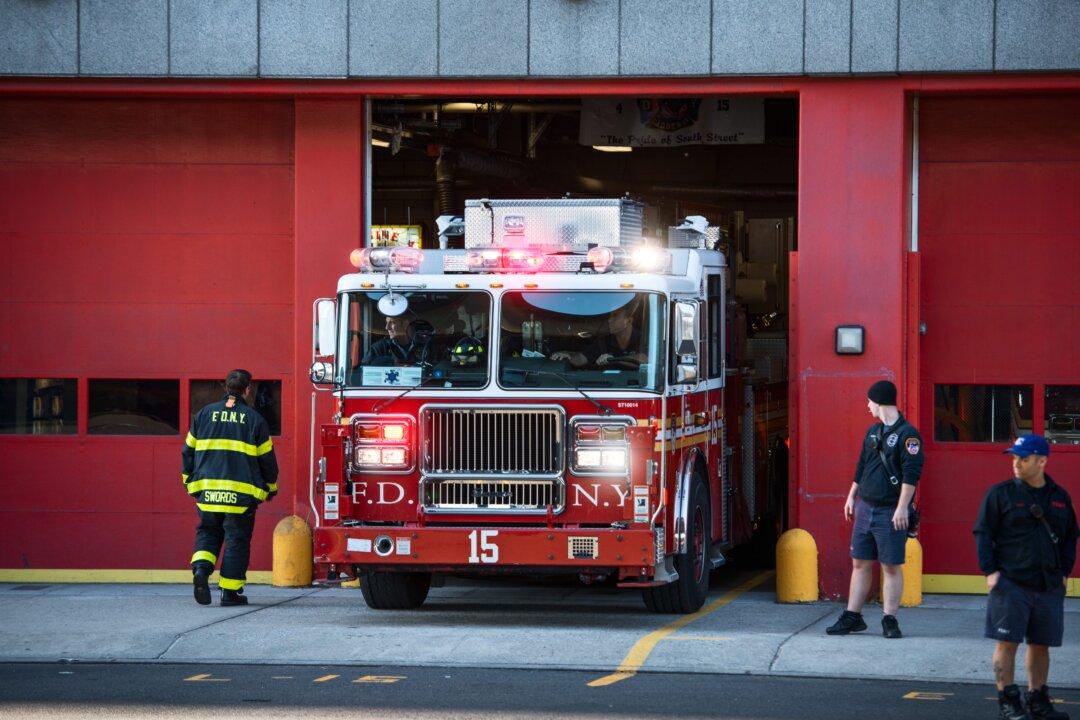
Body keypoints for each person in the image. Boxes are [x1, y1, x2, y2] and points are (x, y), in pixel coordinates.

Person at [974, 434, 1077, 720]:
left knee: (1041, 645)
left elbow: (1070, 537)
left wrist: (1064, 573)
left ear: (1042, 461)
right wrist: (990, 572)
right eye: (1014, 457)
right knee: (1007, 643)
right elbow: (983, 533)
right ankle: (1007, 700)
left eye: (1024, 458)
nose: (1016, 463)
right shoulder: (1000, 494)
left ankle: (1038, 701)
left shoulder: (1059, 497)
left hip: (1047, 585)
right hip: (1011, 583)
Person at [827, 379, 924, 639]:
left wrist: (902, 508)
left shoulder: (908, 436)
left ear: (879, 401)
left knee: (891, 566)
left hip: (890, 511)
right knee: (860, 563)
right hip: (864, 507)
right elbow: (861, 468)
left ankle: (890, 620)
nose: (867, 405)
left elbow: (911, 476)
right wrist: (851, 497)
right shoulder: (872, 432)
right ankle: (853, 616)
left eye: (869, 401)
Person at [182, 369, 278, 607]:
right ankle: (230, 593)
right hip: (240, 497)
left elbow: (188, 452)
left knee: (208, 532)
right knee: (237, 540)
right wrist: (271, 487)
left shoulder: (204, 414)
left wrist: (189, 482)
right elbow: (267, 461)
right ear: (248, 389)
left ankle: (201, 571)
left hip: (207, 494)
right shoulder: (255, 420)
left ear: (226, 388)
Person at [550, 305, 645, 368]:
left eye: (615, 316)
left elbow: (644, 360)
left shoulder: (643, 338)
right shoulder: (605, 341)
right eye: (610, 316)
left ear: (628, 321)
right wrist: (568, 355)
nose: (609, 320)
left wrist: (613, 359)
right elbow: (582, 358)